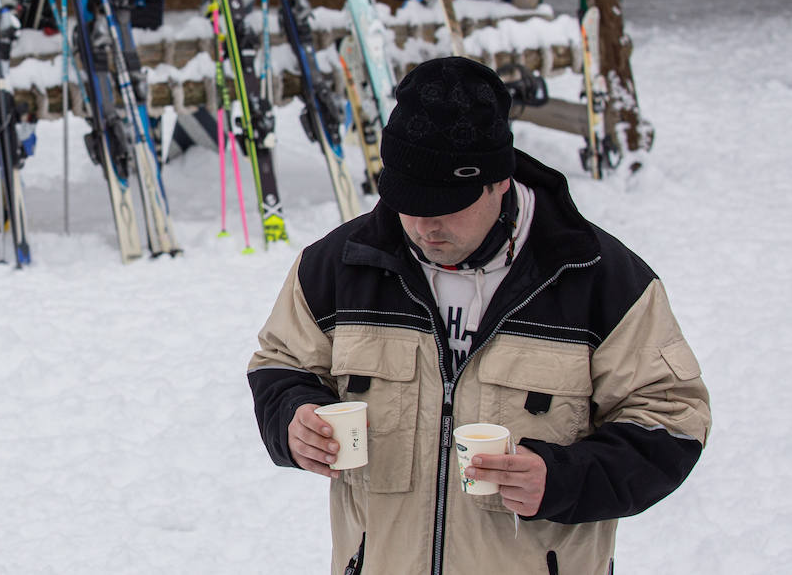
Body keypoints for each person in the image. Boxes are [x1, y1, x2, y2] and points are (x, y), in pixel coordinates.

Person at [247, 56, 710, 575]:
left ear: (499, 182)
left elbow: (672, 420)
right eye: (408, 201)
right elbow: (280, 363)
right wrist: (293, 419)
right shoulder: (338, 265)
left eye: (446, 204)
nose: (424, 226)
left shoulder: (597, 278)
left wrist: (561, 479)